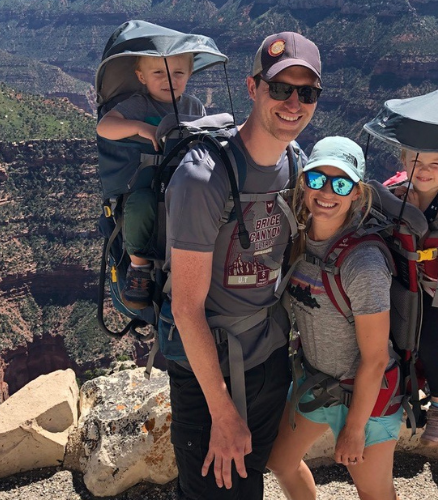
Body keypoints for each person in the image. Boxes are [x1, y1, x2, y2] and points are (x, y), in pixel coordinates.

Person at [163, 32, 322, 500]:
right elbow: (186, 310)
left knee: (248, 486)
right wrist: (223, 412)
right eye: (280, 89)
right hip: (209, 375)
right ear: (253, 89)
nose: (294, 103)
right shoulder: (202, 178)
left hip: (270, 362)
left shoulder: (298, 166)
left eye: (306, 93)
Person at [267, 136, 401, 500]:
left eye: (340, 183)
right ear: (303, 182)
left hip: (366, 398)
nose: (326, 192)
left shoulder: (364, 263)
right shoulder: (299, 236)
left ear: (356, 192)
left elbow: (374, 359)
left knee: (374, 493)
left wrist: (355, 429)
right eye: (316, 180)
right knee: (280, 463)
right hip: (317, 382)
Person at [96, 52, 205, 309]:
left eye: (179, 73)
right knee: (140, 205)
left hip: (185, 182)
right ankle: (138, 267)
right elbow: (105, 126)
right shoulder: (141, 105)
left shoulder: (193, 106)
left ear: (189, 75)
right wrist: (139, 127)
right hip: (148, 185)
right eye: (158, 73)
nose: (170, 80)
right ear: (141, 77)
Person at [398, 149, 438, 447]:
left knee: (425, 341)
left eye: (434, 164)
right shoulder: (405, 190)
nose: (423, 170)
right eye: (415, 162)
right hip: (412, 279)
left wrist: (410, 215)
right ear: (404, 162)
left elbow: (433, 248)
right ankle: (401, 391)